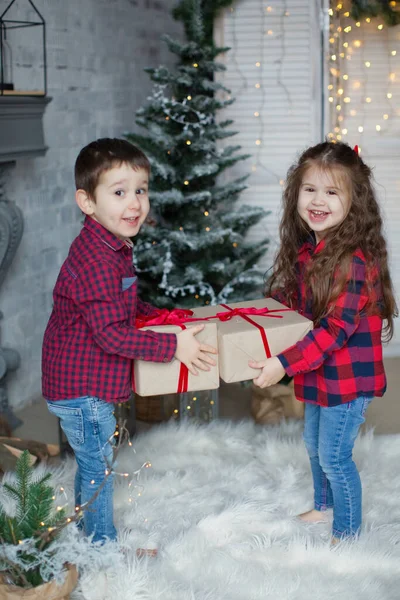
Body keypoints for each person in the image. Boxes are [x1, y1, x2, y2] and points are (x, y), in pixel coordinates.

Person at [42, 138, 217, 548]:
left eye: (140, 190)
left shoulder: (112, 245)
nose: (135, 203)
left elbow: (124, 302)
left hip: (85, 384)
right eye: (119, 193)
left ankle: (91, 535)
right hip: (80, 389)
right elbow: (110, 334)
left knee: (94, 463)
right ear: (87, 202)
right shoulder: (96, 260)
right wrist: (175, 347)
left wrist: (160, 317)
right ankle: (101, 545)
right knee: (97, 466)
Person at [248, 141, 397, 544]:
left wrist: (282, 363)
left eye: (332, 192)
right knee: (313, 446)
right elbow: (299, 302)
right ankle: (324, 505)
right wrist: (261, 313)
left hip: (347, 379)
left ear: (354, 201)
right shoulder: (312, 250)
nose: (318, 200)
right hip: (319, 371)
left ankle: (347, 532)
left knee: (334, 455)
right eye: (310, 189)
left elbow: (334, 329)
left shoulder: (353, 261)